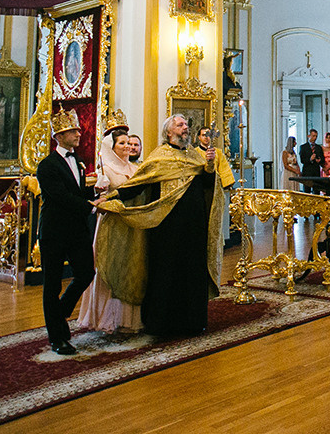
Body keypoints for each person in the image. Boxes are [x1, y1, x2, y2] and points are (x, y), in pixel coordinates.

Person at [94, 114, 226, 338]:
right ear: (169, 132)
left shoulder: (195, 155)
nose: (185, 128)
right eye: (180, 125)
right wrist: (112, 198)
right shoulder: (159, 157)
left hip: (194, 229)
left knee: (192, 273)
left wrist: (209, 168)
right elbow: (138, 184)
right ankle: (162, 325)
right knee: (166, 272)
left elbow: (207, 186)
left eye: (186, 124)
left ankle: (193, 322)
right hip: (166, 228)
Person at [36, 109, 96, 355]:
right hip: (54, 231)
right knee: (52, 284)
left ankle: (58, 315)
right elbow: (60, 196)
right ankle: (57, 338)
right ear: (59, 136)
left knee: (86, 273)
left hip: (77, 229)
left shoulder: (79, 161)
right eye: (73, 131)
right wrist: (91, 207)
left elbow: (78, 192)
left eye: (78, 130)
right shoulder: (47, 166)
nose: (79, 134)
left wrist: (96, 192)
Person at [77, 119, 141, 333]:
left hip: (132, 225)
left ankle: (129, 318)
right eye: (122, 143)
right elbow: (100, 199)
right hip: (112, 225)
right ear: (111, 147)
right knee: (110, 268)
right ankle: (108, 317)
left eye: (129, 143)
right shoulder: (106, 170)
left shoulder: (135, 168)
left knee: (130, 267)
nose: (127, 147)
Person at [298, 129, 324, 193]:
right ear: (308, 136)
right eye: (313, 136)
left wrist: (319, 160)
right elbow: (302, 160)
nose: (315, 138)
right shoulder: (303, 147)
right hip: (307, 172)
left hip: (316, 172)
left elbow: (323, 159)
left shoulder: (319, 147)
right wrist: (310, 159)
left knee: (316, 191)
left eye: (316, 136)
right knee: (307, 191)